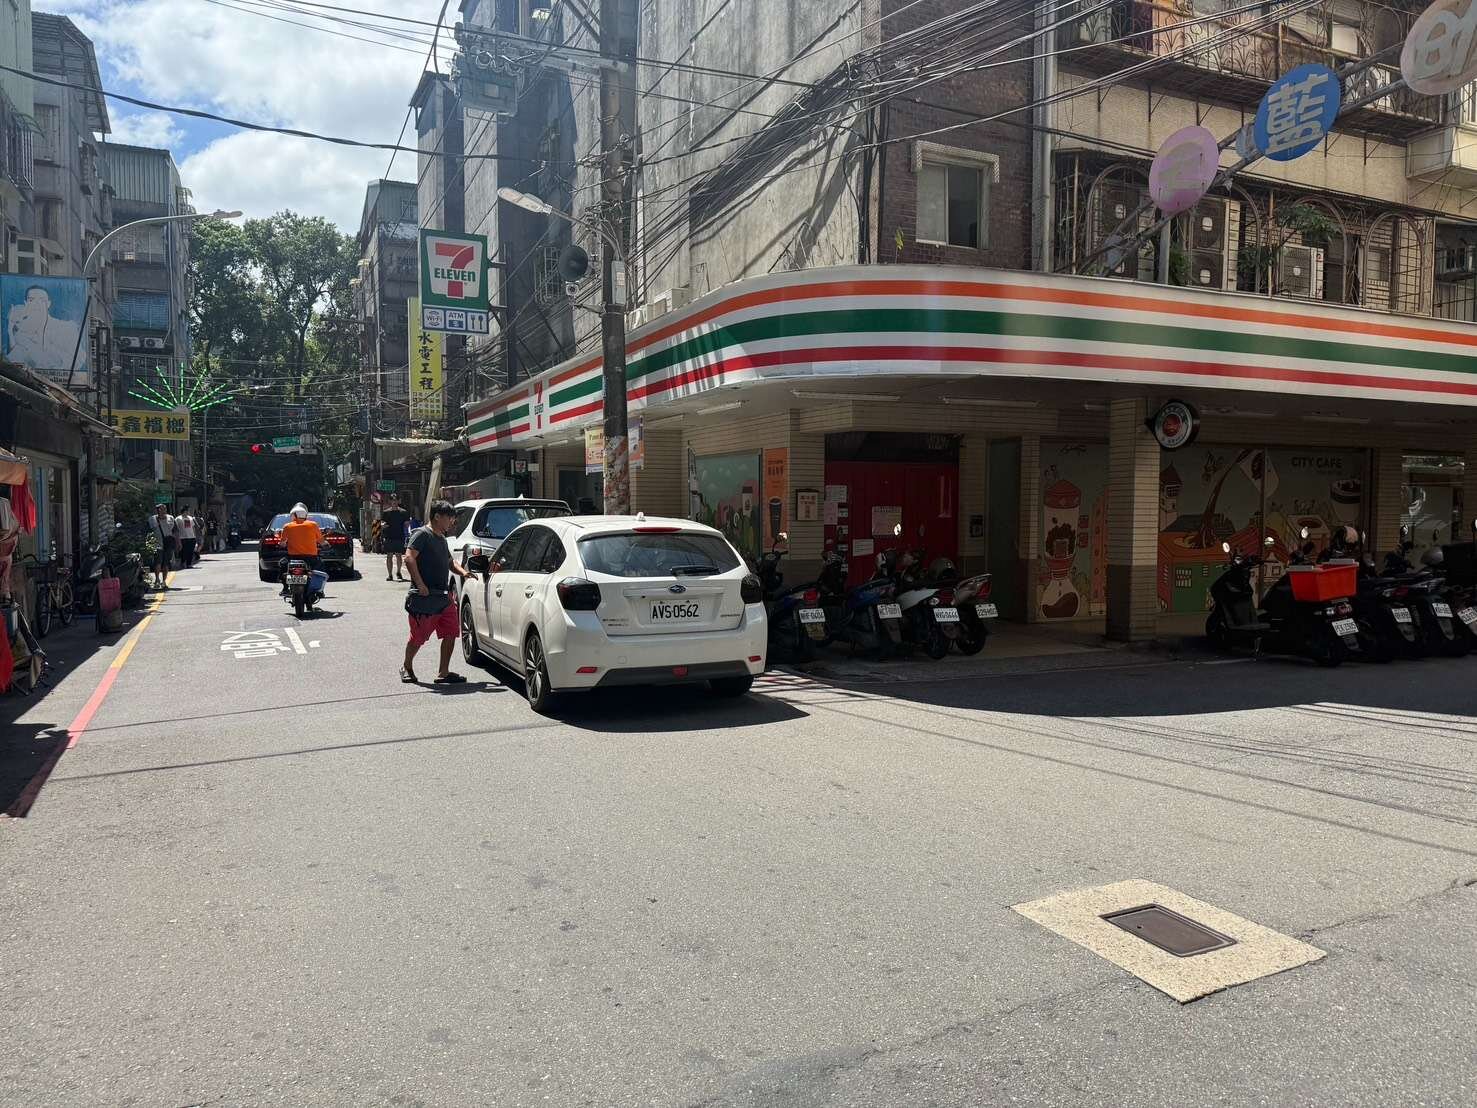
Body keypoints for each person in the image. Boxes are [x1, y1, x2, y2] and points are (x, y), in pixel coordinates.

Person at [401, 500, 471, 685]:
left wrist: (463, 572)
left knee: (451, 632)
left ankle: (443, 672)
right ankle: (407, 666)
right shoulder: (422, 534)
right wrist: (420, 584)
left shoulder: (441, 538)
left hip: (443, 597)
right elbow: (409, 558)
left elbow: (449, 562)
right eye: (450, 517)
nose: (452, 521)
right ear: (437, 516)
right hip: (425, 598)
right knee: (419, 637)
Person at [380, 494, 409, 582]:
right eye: (392, 500)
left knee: (398, 555)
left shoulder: (403, 512)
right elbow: (382, 523)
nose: (394, 502)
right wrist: (383, 525)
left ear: (398, 501)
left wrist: (407, 525)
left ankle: (398, 572)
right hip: (389, 536)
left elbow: (407, 524)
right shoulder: (386, 512)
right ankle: (390, 575)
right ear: (390, 501)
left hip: (399, 536)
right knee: (389, 556)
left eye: (396, 500)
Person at [147, 503, 176, 589]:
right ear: (157, 510)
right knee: (158, 563)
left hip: (168, 544)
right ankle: (157, 580)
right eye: (161, 509)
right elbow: (148, 530)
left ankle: (164, 581)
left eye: (164, 509)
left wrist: (178, 542)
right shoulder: (152, 519)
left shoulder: (171, 518)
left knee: (166, 563)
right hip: (157, 544)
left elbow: (175, 531)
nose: (163, 511)